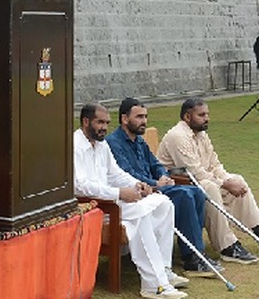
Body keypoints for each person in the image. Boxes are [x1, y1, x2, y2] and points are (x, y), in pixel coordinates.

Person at [157, 97, 259, 264]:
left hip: (197, 181)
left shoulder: (201, 134)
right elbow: (194, 173)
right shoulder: (178, 136)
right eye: (201, 115)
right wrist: (225, 184)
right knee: (209, 187)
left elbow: (214, 165)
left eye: (207, 114)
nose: (207, 118)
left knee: (237, 179)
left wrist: (229, 180)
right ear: (187, 116)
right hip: (178, 186)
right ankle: (227, 247)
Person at [74, 103, 188, 299]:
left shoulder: (101, 144)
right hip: (92, 207)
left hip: (111, 201)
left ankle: (163, 270)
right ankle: (155, 285)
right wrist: (119, 193)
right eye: (100, 122)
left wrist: (138, 184)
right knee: (141, 213)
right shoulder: (75, 146)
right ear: (86, 121)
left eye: (107, 123)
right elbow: (80, 186)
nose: (104, 127)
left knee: (163, 203)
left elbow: (115, 173)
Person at [106, 98, 223, 277]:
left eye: (145, 116)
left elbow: (156, 164)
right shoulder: (113, 143)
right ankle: (192, 259)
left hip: (156, 187)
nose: (144, 121)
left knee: (197, 192)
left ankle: (193, 251)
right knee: (184, 195)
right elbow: (126, 174)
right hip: (139, 191)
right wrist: (156, 184)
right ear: (124, 119)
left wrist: (163, 176)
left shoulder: (139, 141)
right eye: (139, 117)